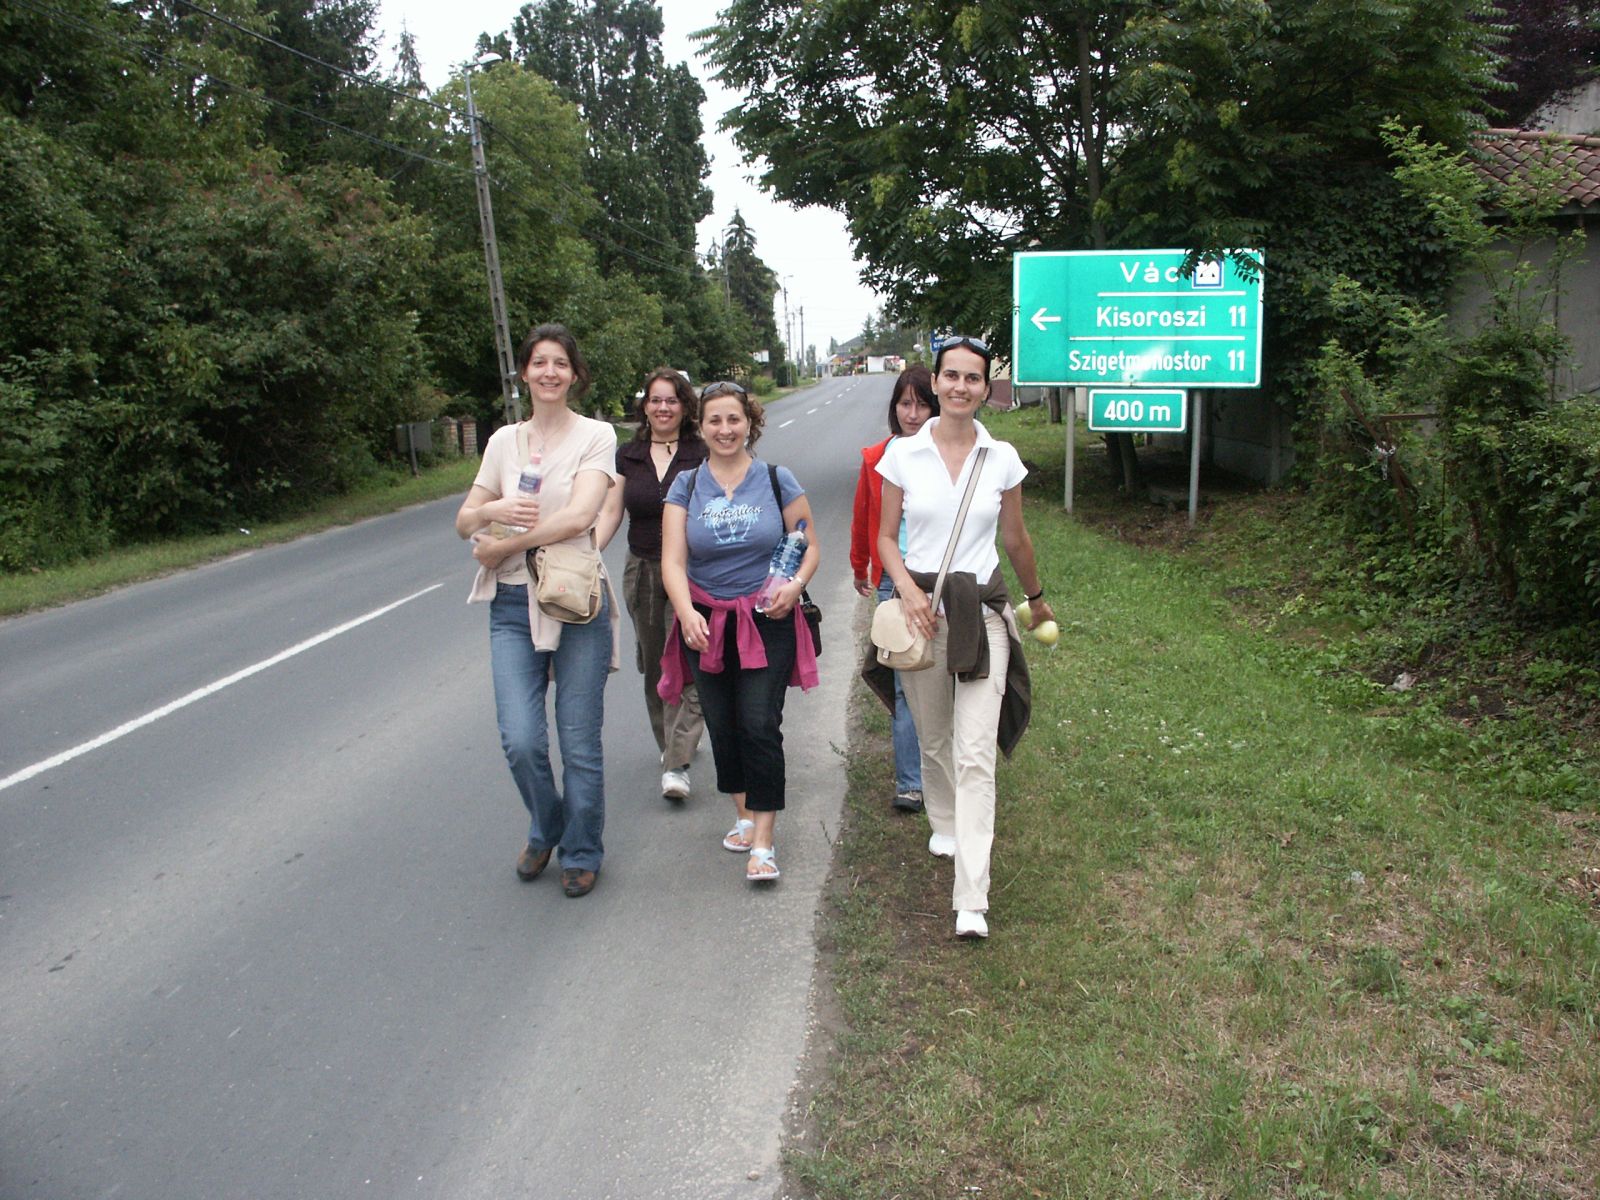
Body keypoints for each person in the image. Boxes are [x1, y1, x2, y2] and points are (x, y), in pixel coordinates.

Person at [872, 336, 1052, 939]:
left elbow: (1016, 538)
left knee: (975, 754)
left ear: (984, 388)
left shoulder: (1002, 458)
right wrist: (905, 590)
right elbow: (886, 537)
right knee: (934, 738)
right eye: (951, 376)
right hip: (921, 614)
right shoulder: (902, 455)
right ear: (936, 382)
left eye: (973, 378)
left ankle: (971, 897)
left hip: (983, 613)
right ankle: (944, 821)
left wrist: (1036, 597)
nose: (960, 387)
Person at [456, 323, 620, 900]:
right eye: (539, 362)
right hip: (510, 602)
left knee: (578, 742)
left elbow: (580, 517)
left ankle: (581, 850)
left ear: (574, 375)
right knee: (521, 739)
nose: (550, 372)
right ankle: (549, 823)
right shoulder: (503, 442)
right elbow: (464, 520)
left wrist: (505, 545)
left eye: (560, 363)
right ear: (524, 372)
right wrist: (493, 511)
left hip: (574, 599)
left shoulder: (596, 435)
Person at [659, 381, 820, 883]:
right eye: (715, 420)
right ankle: (744, 815)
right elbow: (672, 560)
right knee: (723, 724)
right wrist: (686, 612)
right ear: (700, 426)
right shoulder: (686, 485)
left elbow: (809, 544)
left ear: (750, 423)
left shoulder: (776, 479)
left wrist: (795, 586)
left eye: (734, 419)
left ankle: (765, 842)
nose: (725, 429)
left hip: (767, 618)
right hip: (706, 622)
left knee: (758, 723)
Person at [596, 369, 708, 802]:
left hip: (694, 573)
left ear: (684, 406)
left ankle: (677, 763)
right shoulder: (629, 455)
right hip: (642, 570)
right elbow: (612, 512)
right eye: (655, 400)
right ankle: (670, 744)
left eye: (672, 400)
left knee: (692, 658)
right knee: (657, 664)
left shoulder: (701, 452)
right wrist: (586, 554)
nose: (663, 408)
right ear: (645, 406)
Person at [850, 365, 937, 815]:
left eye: (922, 404)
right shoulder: (877, 458)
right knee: (905, 678)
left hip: (943, 577)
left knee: (945, 677)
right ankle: (910, 783)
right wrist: (859, 566)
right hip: (892, 577)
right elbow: (863, 513)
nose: (913, 414)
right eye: (905, 404)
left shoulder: (949, 454)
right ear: (894, 408)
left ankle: (944, 772)